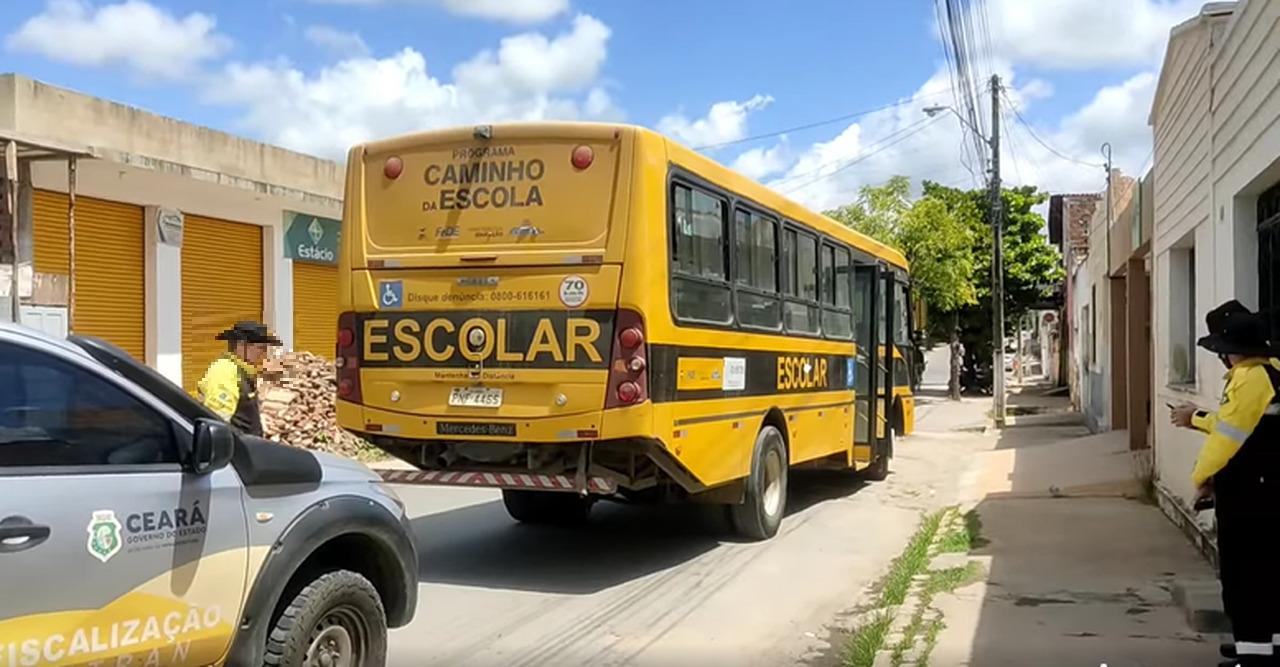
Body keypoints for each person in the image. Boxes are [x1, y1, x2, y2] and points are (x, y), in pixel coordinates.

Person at [1170, 300, 1280, 667]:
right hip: (1267, 487)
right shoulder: (1273, 372)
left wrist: (1202, 478)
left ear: (1232, 352)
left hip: (1250, 492)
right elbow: (1236, 424)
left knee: (1244, 574)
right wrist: (1197, 417)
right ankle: (1268, 644)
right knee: (1268, 569)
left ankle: (1254, 651)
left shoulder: (1249, 380)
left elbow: (1227, 439)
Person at [197, 320, 281, 437]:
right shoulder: (224, 372)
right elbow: (219, 419)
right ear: (241, 345)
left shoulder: (242, 370)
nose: (264, 353)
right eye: (261, 348)